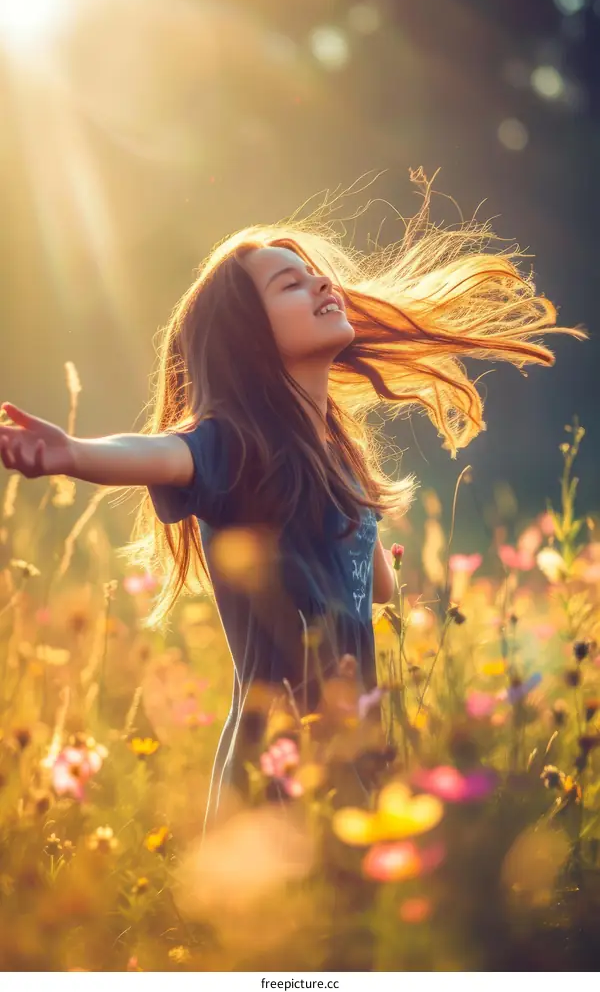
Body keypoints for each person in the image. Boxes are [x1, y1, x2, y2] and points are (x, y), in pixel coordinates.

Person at [0, 168, 587, 838]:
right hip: (272, 776)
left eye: (315, 273)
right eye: (291, 283)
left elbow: (375, 589)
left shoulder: (342, 464)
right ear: (249, 338)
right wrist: (71, 452)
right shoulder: (234, 445)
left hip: (352, 763)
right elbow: (156, 451)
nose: (321, 283)